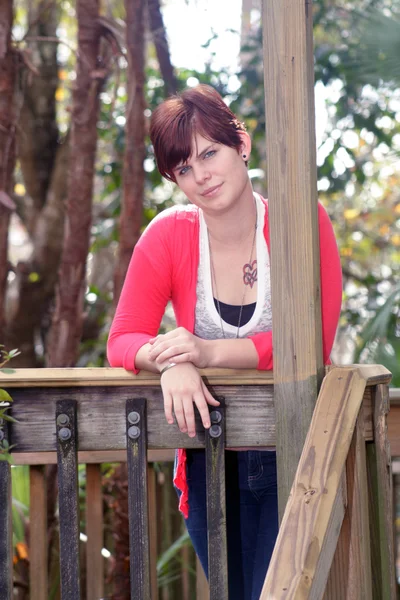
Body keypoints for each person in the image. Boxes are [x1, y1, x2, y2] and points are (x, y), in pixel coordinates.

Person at [107, 84, 342, 600]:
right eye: (183, 169)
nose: (201, 176)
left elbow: (313, 344)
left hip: (296, 451)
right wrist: (171, 364)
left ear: (241, 143)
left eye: (209, 153)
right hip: (210, 458)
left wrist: (207, 352)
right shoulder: (169, 234)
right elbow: (124, 337)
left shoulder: (300, 222)